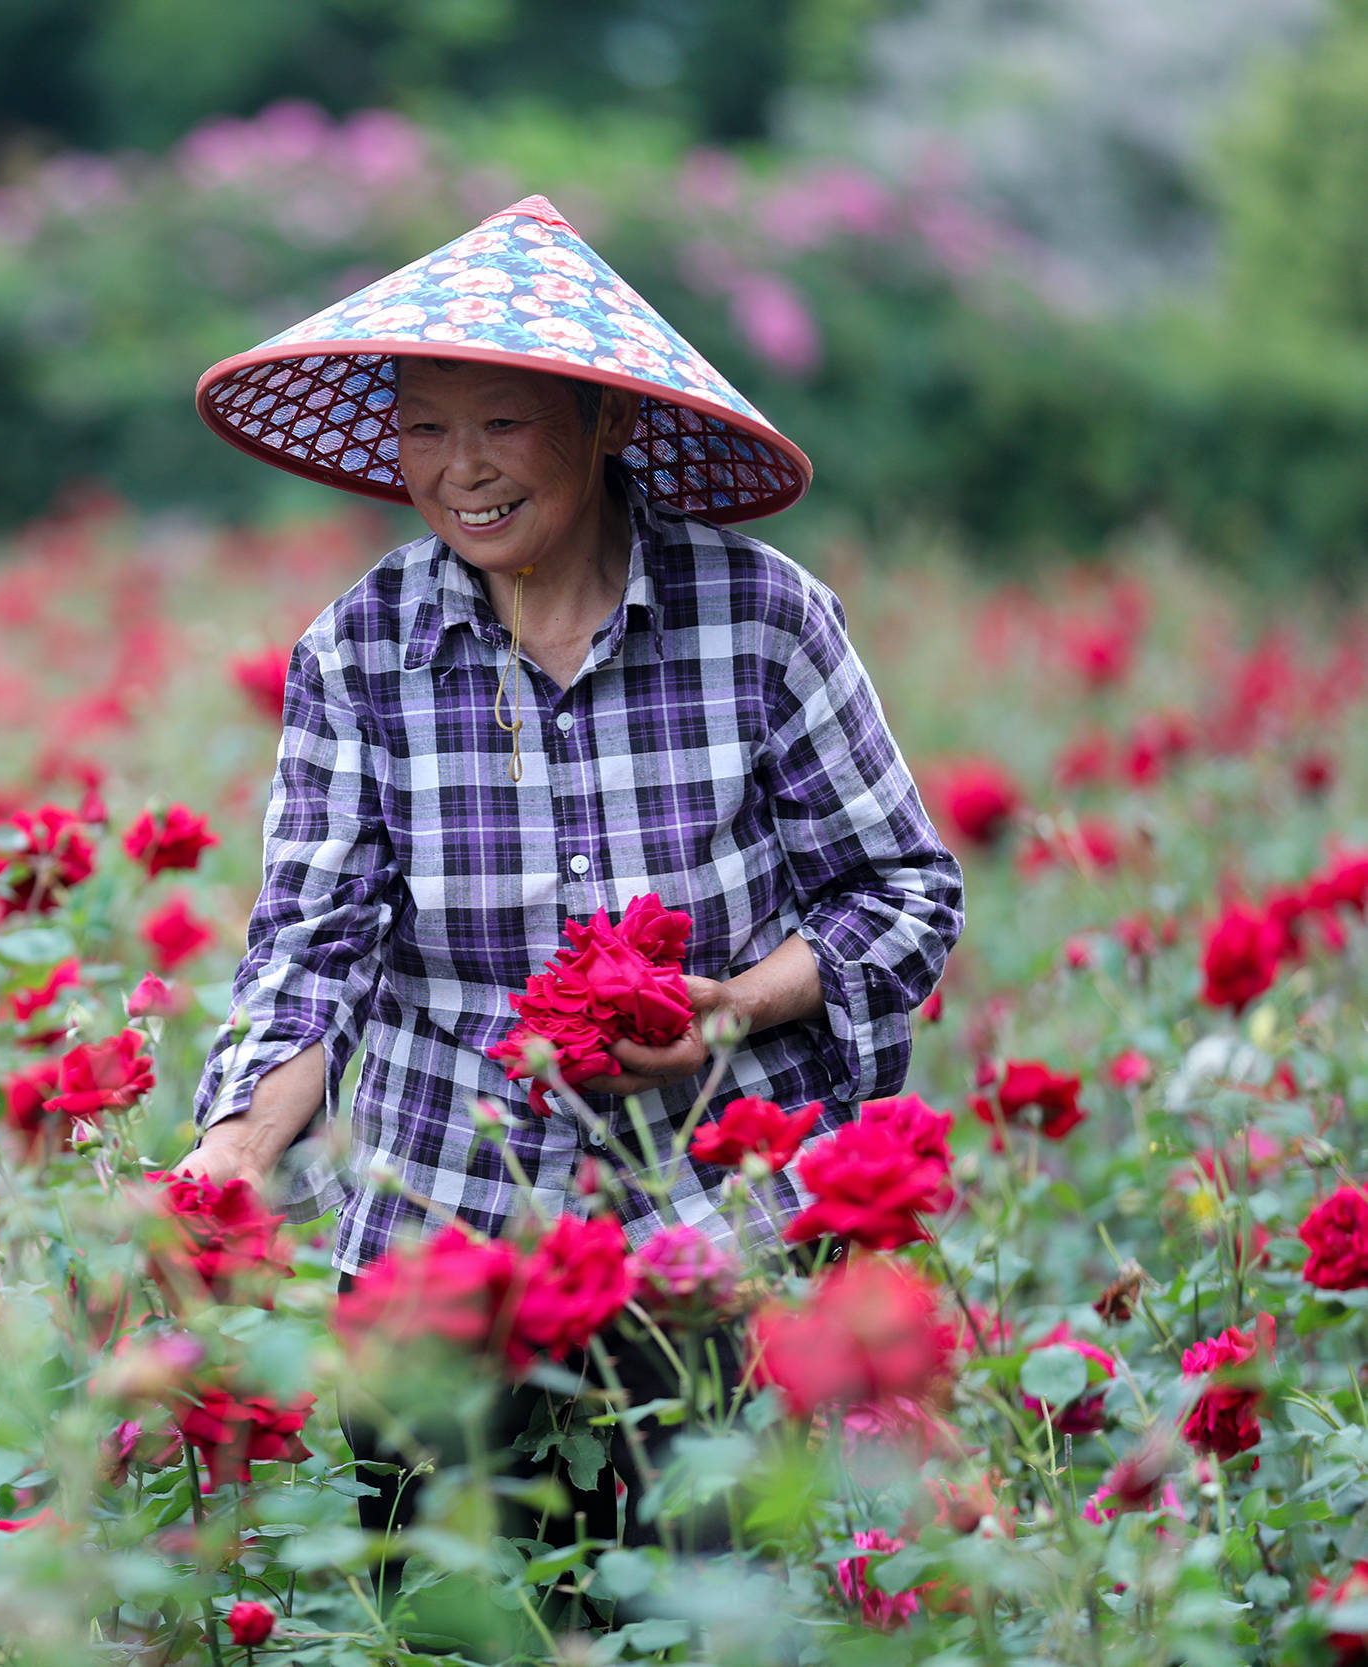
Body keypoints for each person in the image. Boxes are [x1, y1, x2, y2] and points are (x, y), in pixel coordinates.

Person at [181, 195, 962, 1554]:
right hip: (447, 1233)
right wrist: (240, 1143)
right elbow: (312, 948)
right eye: (424, 425)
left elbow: (900, 893)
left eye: (500, 424)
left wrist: (724, 1007)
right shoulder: (361, 653)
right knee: (447, 1606)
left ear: (606, 424)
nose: (457, 468)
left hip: (713, 1229)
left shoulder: (761, 617)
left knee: (704, 1601)